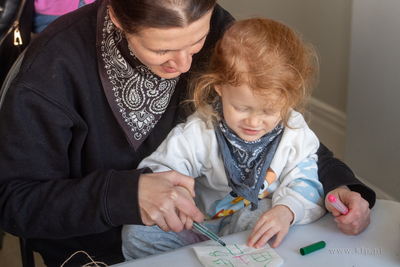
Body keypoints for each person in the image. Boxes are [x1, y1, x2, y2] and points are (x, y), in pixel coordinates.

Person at [0, 0, 375, 266]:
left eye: (195, 43)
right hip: (98, 248)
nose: (184, 65)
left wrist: (344, 186)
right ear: (116, 14)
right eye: (162, 49)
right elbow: (12, 200)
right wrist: (124, 194)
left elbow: (283, 135)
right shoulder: (50, 73)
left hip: (213, 230)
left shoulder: (219, 34)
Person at [122, 17, 327, 259]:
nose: (253, 122)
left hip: (250, 228)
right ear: (219, 86)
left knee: (264, 215)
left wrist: (286, 210)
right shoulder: (201, 130)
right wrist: (178, 195)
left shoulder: (295, 134)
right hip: (195, 227)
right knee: (137, 231)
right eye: (241, 108)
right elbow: (161, 172)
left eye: (268, 111)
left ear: (290, 99)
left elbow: (308, 184)